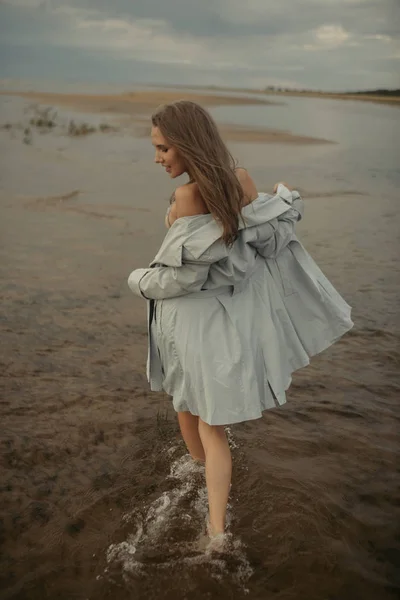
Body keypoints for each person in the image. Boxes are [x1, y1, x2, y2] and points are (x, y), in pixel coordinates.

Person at [128, 100, 353, 546]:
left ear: (187, 144)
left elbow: (184, 277)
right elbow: (257, 243)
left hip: (189, 319)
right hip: (224, 316)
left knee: (190, 408)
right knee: (204, 417)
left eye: (163, 149)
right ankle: (214, 526)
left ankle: (214, 525)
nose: (157, 158)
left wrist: (137, 280)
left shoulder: (187, 196)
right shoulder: (242, 179)